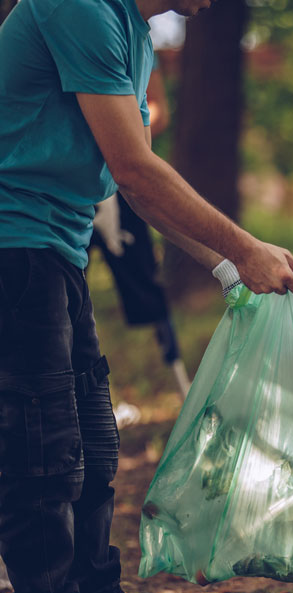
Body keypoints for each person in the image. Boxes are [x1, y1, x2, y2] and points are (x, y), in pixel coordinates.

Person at [0, 1, 293, 593]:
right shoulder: (77, 6)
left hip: (57, 249)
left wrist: (226, 268)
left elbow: (131, 182)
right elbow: (134, 169)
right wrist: (246, 248)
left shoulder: (131, 31)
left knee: (90, 446)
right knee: (44, 458)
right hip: (13, 243)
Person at [90, 57, 191, 401]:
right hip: (67, 183)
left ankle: (180, 384)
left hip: (117, 179)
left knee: (146, 281)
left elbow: (158, 107)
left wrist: (121, 132)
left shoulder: (135, 39)